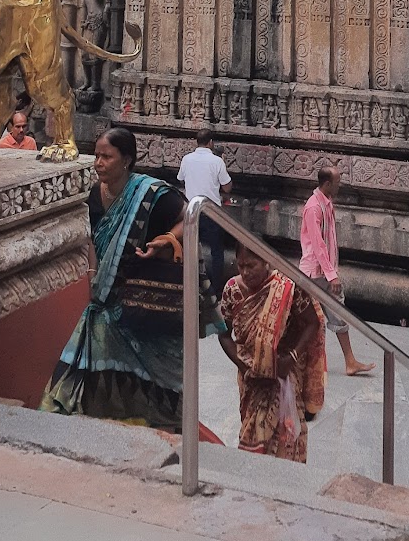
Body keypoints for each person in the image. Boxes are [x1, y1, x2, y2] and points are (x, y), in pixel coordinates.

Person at [41, 125, 221, 427]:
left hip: (145, 298)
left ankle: (161, 425)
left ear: (126, 160)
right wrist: (92, 273)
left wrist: (167, 239)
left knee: (157, 379)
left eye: (106, 157)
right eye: (96, 156)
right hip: (106, 299)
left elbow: (190, 217)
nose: (98, 163)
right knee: (91, 358)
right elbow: (92, 237)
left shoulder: (150, 194)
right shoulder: (93, 194)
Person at [218, 243, 325, 462]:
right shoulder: (232, 290)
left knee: (285, 434)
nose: (245, 272)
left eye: (251, 266)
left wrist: (291, 357)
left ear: (266, 261)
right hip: (251, 377)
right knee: (251, 428)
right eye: (241, 266)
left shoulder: (287, 287)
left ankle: (281, 477)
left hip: (283, 374)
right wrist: (244, 366)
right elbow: (224, 334)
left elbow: (312, 323)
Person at [299, 163, 374, 376]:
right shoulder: (314, 207)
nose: (339, 185)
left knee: (326, 316)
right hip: (316, 273)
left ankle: (348, 361)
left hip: (322, 272)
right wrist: (331, 275)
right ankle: (340, 361)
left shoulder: (326, 203)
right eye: (337, 182)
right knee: (321, 316)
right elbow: (318, 244)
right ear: (327, 184)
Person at [177, 128, 232, 295]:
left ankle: (191, 285)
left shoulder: (186, 159)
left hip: (191, 211)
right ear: (211, 143)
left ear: (197, 142)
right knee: (217, 251)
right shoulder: (217, 161)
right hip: (211, 211)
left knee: (191, 249)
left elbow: (180, 179)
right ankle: (216, 289)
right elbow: (227, 187)